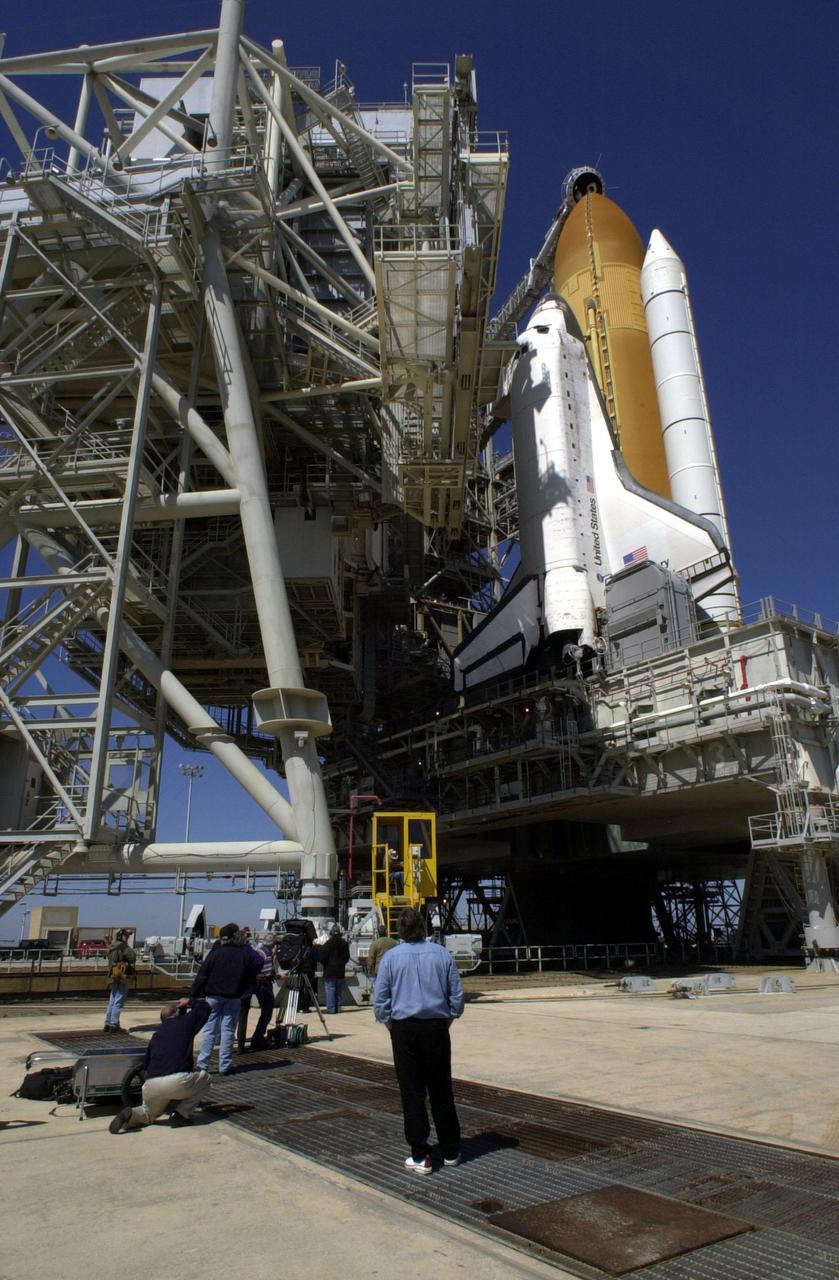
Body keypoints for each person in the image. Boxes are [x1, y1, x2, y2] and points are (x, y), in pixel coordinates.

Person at [373, 907, 464, 1175]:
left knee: (412, 1094)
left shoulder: (391, 958)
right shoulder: (441, 954)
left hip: (404, 1030)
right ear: (423, 927)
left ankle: (420, 1155)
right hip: (436, 1029)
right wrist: (446, 1020)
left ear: (399, 930)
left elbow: (380, 1001)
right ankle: (451, 1151)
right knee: (442, 1091)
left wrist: (391, 1025)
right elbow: (456, 997)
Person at [109, 997, 212, 1134]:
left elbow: (146, 1064)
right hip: (177, 1080)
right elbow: (205, 1008)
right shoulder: (185, 1023)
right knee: (206, 1080)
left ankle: (132, 1114)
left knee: (149, 1113)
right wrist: (189, 1001)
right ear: (177, 1014)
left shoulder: (156, 1035)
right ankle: (181, 1114)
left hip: (152, 1083)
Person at [190, 922, 262, 1076]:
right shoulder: (243, 954)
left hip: (213, 996)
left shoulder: (215, 954)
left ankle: (202, 1064)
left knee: (209, 1030)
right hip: (234, 996)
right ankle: (225, 1065)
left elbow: (202, 974)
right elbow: (257, 964)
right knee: (228, 1031)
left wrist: (193, 995)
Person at [246, 936, 276, 1051]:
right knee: (267, 1012)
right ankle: (257, 1038)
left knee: (266, 1012)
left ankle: (258, 1037)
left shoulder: (261, 951)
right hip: (263, 984)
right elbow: (265, 970)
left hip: (261, 983)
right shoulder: (265, 953)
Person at [104, 929, 136, 1032]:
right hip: (122, 976)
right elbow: (133, 957)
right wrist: (126, 945)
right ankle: (114, 1023)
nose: (127, 938)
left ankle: (107, 1022)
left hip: (113, 976)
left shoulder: (112, 946)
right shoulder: (123, 947)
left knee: (112, 1000)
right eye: (126, 936)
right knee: (118, 1000)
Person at [318, 924, 350, 1014]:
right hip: (340, 970)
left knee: (330, 990)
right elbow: (347, 957)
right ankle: (338, 1008)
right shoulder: (344, 943)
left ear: (331, 933)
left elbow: (322, 957)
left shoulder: (328, 943)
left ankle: (331, 1008)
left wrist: (325, 964)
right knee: (338, 990)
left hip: (329, 970)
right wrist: (342, 964)